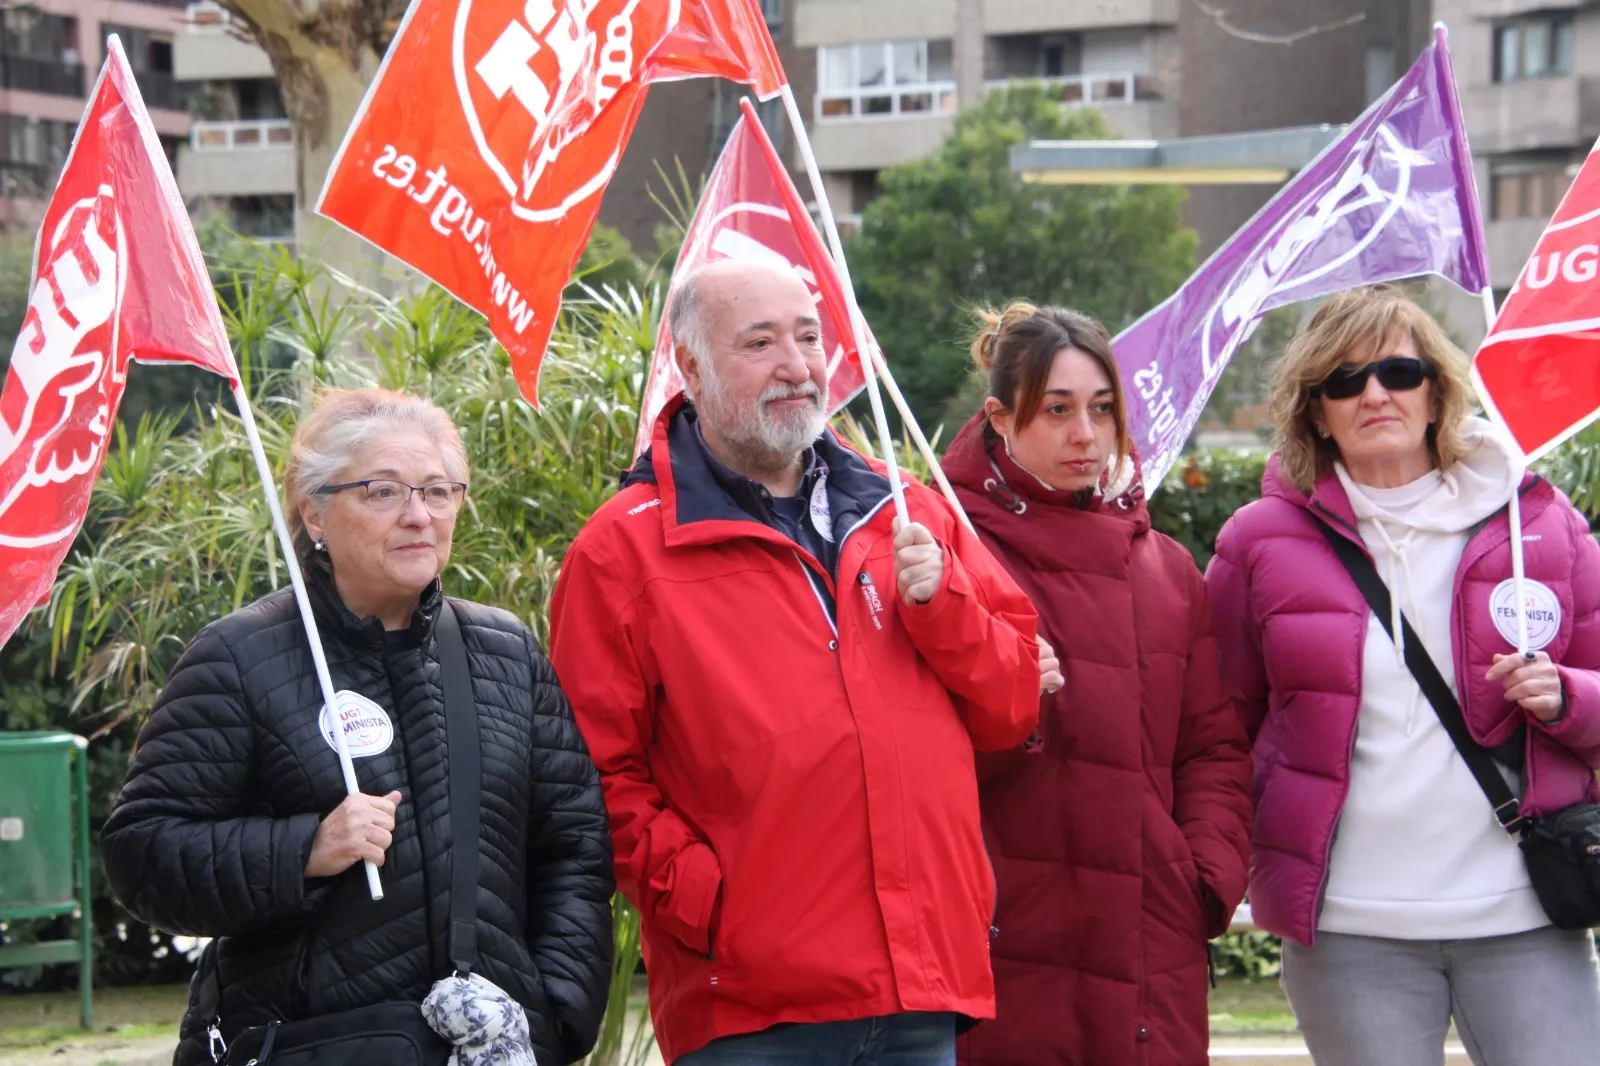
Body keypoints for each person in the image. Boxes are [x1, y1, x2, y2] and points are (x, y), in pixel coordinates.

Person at [549, 260, 1052, 1065]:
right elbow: (591, 775)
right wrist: (710, 904)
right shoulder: (620, 553)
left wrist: (944, 605)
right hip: (750, 1007)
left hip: (920, 986)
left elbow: (1014, 705)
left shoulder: (908, 509)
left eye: (809, 336)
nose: (797, 364)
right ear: (690, 366)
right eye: (760, 342)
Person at [102, 388, 615, 1066]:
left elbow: (574, 848)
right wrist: (302, 851)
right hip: (317, 1045)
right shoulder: (239, 658)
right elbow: (143, 854)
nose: (418, 516)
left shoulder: (507, 652)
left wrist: (556, 1009)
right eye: (383, 492)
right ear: (314, 511)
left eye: (439, 491)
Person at [1206, 286, 1600, 1065]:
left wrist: (1569, 698)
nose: (1374, 393)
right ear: (1316, 411)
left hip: (1523, 916)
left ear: (1436, 391)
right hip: (1352, 933)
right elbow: (1221, 726)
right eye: (1344, 380)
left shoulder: (1540, 526)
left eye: (1397, 370)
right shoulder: (1256, 542)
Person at [938, 302, 1252, 1066]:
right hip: (1002, 941)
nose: (1086, 434)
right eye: (1058, 409)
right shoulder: (943, 551)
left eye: (1102, 409)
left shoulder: (1168, 570)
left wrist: (1201, 877)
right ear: (1000, 419)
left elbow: (1211, 747)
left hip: (1150, 942)